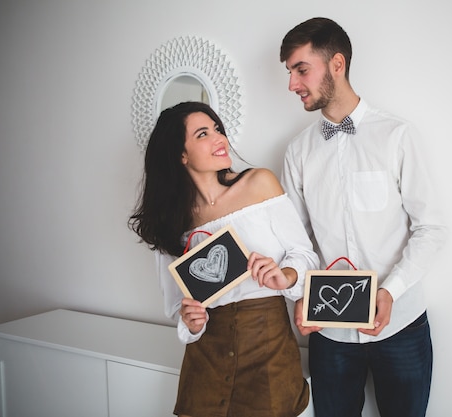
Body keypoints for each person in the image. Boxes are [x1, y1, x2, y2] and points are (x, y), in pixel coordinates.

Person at [279, 18, 448, 417]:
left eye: (301, 69)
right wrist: (298, 296)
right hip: (329, 335)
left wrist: (391, 290)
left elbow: (431, 228)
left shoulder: (398, 136)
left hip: (401, 327)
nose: (292, 84)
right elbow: (295, 242)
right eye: (289, 72)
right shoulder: (297, 152)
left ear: (336, 64)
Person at [129, 101, 319, 417]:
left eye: (218, 129)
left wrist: (285, 275)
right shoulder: (170, 223)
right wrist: (191, 322)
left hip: (269, 346)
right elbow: (178, 304)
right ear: (181, 154)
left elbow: (305, 255)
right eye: (204, 133)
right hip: (206, 358)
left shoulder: (259, 183)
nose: (220, 139)